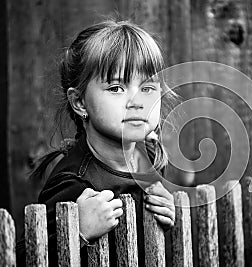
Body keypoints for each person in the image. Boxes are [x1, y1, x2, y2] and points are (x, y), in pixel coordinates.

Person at [17, 19, 178, 266]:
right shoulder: (72, 184)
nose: (136, 102)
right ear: (80, 102)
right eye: (116, 88)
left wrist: (164, 212)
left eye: (147, 88)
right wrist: (77, 232)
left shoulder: (149, 158)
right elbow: (23, 257)